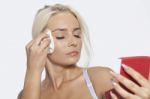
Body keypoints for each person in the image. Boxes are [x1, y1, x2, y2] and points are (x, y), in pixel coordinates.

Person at [18, 4, 150, 99]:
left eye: (77, 34)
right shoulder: (29, 92)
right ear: (42, 41)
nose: (73, 42)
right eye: (61, 36)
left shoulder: (100, 78)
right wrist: (33, 71)